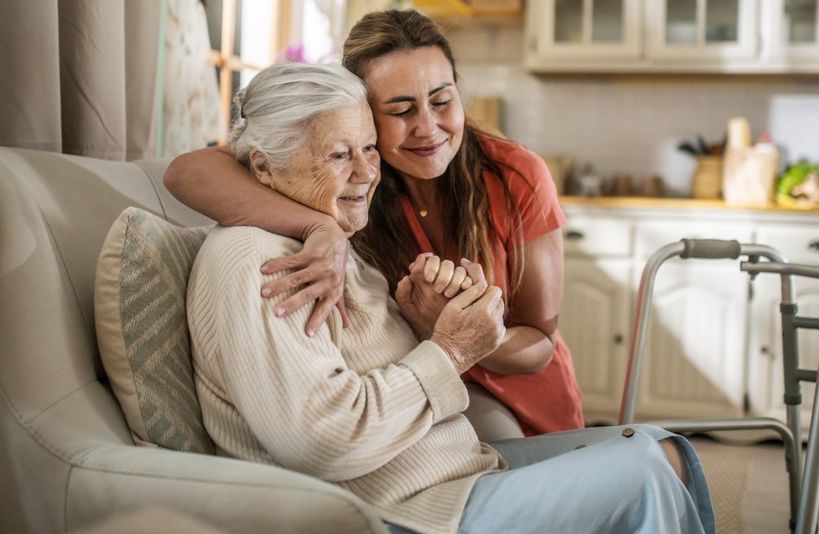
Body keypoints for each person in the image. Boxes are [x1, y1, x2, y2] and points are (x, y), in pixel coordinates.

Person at [187, 61, 715, 534]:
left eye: (369, 149)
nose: (367, 173)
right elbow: (323, 439)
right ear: (263, 167)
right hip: (412, 509)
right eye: (339, 155)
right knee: (641, 472)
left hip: (453, 473)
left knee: (660, 446)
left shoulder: (325, 237)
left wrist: (426, 321)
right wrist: (451, 349)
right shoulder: (262, 263)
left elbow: (372, 361)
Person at [166, 9, 582, 439]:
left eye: (442, 101)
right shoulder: (355, 185)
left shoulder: (514, 175)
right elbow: (186, 172)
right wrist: (320, 228)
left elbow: (540, 344)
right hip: (423, 395)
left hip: (525, 401)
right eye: (401, 110)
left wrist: (463, 332)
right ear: (363, 113)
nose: (428, 128)